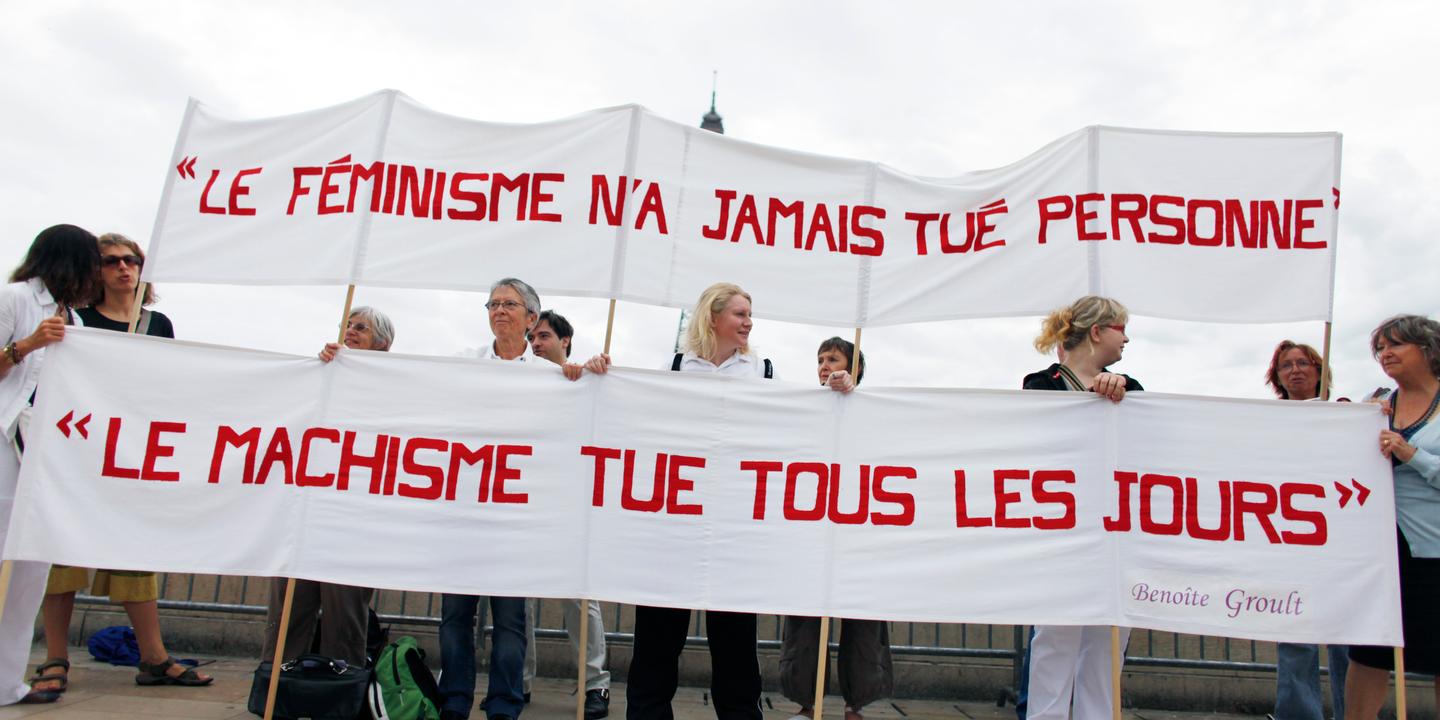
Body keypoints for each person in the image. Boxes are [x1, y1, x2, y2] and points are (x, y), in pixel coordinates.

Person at [585, 282, 851, 720]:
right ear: (713, 317)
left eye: (750, 314)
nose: (749, 322)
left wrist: (835, 392)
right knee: (656, 644)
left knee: (736, 649)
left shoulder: (762, 370)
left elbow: (797, 422)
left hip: (734, 532)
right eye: (740, 314)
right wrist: (599, 378)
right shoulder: (674, 367)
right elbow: (635, 417)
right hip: (673, 527)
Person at [37, 233, 211, 692]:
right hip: (79, 452)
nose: (123, 268)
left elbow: (166, 382)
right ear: (94, 271)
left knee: (135, 552)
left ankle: (153, 656)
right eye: (111, 261)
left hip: (130, 452)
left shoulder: (157, 324)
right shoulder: (75, 320)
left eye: (131, 260)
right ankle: (55, 657)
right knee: (61, 556)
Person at [258, 305, 396, 676]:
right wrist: (321, 370)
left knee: (344, 614)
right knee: (289, 608)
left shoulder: (390, 387)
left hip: (352, 517)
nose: (350, 331)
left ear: (381, 344)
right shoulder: (323, 373)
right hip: (306, 511)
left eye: (361, 328)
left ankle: (340, 689)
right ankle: (276, 684)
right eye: (347, 325)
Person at [1022, 296, 1140, 720]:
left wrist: (1118, 393)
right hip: (1063, 531)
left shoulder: (1132, 388)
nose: (1126, 338)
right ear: (1097, 331)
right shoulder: (1042, 384)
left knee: (1108, 643)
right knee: (1056, 637)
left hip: (1115, 531)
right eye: (1120, 329)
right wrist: (1093, 398)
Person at [0, 224, 101, 705]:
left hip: (41, 449)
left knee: (30, 568)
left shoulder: (74, 319)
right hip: (5, 439)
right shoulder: (15, 299)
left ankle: (6, 681)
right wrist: (26, 345)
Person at [439, 278, 548, 720]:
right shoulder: (463, 363)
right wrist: (348, 363)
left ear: (531, 319)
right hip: (464, 510)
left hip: (513, 516)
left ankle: (504, 703)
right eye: (493, 304)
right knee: (455, 615)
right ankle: (454, 700)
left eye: (509, 304)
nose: (499, 311)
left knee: (509, 620)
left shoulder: (549, 377)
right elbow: (411, 382)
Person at [779, 337, 889, 720]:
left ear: (853, 367)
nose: (824, 365)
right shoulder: (806, 409)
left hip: (857, 531)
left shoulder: (871, 412)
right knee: (805, 622)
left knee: (862, 623)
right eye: (820, 359)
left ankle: (855, 704)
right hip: (812, 530)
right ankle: (808, 704)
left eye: (834, 359)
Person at [1345, 315, 1440, 718]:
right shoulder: (1378, 400)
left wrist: (1411, 454)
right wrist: (1354, 426)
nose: (1386, 354)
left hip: (1431, 552)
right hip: (1381, 551)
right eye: (1380, 348)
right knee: (1369, 653)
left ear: (1428, 349)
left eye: (1396, 344)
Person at [524, 309, 613, 719]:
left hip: (570, 505)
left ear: (566, 342)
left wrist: (594, 373)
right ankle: (519, 682)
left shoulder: (584, 381)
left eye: (543, 336)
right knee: (520, 598)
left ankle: (595, 683)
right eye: (532, 338)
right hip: (526, 500)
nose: (536, 344)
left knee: (578, 598)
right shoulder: (520, 379)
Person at [1263, 340, 1347, 720]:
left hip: (1340, 540)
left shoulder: (1345, 414)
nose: (1295, 370)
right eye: (1286, 365)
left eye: (1303, 363)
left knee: (1348, 639)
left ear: (1319, 370)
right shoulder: (1267, 422)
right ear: (1277, 377)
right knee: (1296, 635)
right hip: (1291, 540)